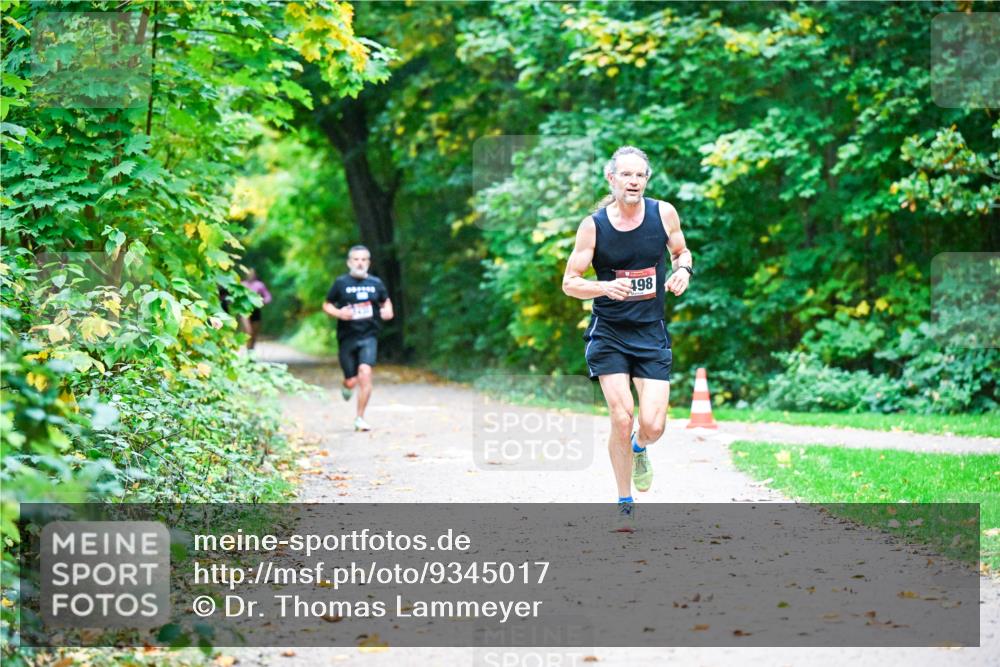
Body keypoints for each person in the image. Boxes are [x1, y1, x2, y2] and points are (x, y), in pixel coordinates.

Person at [561, 146, 693, 525]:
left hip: (650, 332)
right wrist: (603, 288)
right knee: (622, 417)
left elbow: (682, 252)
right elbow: (570, 283)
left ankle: (639, 448)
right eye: (627, 175)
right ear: (612, 179)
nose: (634, 181)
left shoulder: (663, 213)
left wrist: (684, 271)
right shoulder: (594, 226)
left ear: (646, 180)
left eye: (640, 176)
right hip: (610, 335)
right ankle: (624, 500)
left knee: (653, 425)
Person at [323, 245, 394, 432]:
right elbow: (327, 304)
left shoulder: (376, 283)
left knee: (365, 372)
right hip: (347, 338)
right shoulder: (341, 283)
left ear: (369, 263)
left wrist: (388, 311)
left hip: (369, 335)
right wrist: (339, 313)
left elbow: (385, 301)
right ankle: (347, 386)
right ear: (349, 262)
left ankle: (360, 418)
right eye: (356, 259)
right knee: (351, 380)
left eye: (364, 260)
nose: (360, 263)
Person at [240, 268, 272, 350]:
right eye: (249, 273)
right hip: (245, 311)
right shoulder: (242, 285)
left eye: (253, 274)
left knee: (254, 333)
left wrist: (262, 302)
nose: (251, 275)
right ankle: (247, 350)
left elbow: (268, 297)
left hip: (256, 310)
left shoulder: (259, 285)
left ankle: (251, 351)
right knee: (248, 331)